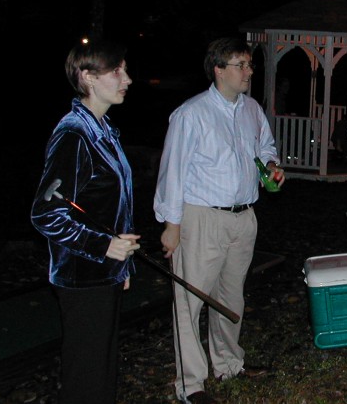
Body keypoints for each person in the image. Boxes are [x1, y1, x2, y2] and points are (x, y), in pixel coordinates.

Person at [154, 36, 285, 404]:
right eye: (240, 65)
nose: (248, 72)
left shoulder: (251, 109)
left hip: (243, 217)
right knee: (189, 301)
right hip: (201, 218)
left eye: (249, 65)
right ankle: (191, 384)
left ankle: (228, 363)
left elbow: (265, 148)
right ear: (218, 70)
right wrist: (171, 224)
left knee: (231, 298)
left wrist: (272, 167)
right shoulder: (191, 114)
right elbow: (172, 172)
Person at [30, 40, 140, 404]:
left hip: (103, 273)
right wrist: (104, 246)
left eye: (124, 69)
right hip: (82, 277)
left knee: (101, 371)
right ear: (88, 78)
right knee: (86, 376)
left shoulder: (102, 129)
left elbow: (106, 206)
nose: (127, 78)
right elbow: (47, 213)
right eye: (116, 71)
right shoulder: (75, 133)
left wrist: (120, 266)